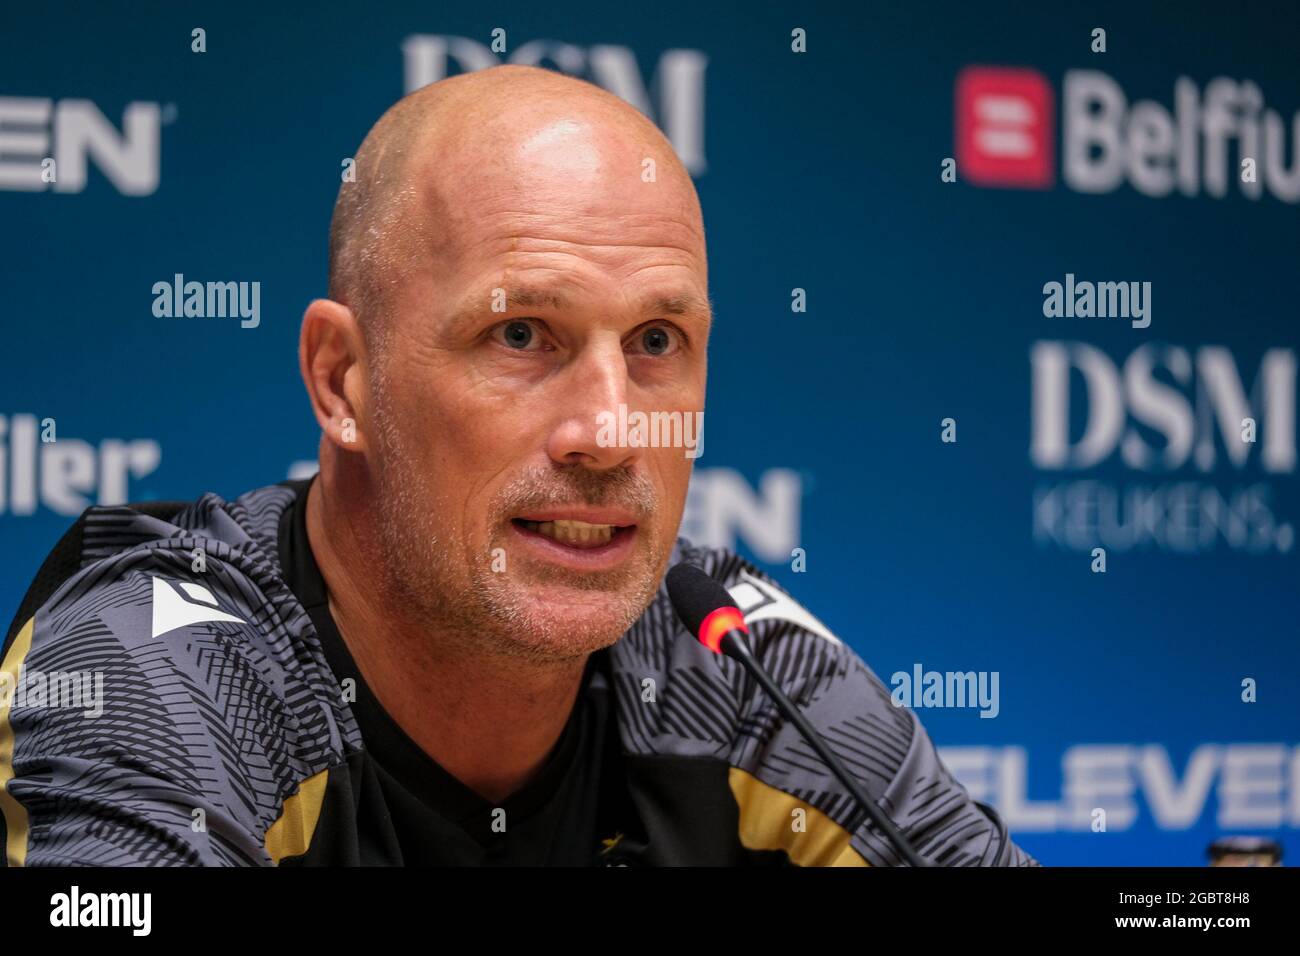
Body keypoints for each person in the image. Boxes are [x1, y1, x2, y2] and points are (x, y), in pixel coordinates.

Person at [0, 65, 1037, 867]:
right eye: (522, 336)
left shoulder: (734, 661)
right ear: (341, 380)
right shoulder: (154, 669)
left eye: (656, 341)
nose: (609, 431)